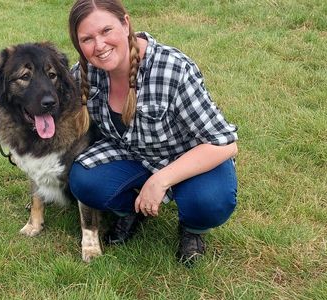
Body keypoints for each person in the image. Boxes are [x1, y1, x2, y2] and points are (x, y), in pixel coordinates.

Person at [67, 0, 238, 266]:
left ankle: (193, 229)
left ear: (125, 24)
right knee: (84, 181)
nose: (99, 46)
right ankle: (133, 209)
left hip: (188, 153)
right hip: (134, 153)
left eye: (106, 31)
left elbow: (224, 143)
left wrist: (161, 180)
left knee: (210, 202)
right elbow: (48, 99)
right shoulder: (85, 75)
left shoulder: (173, 69)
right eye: (87, 39)